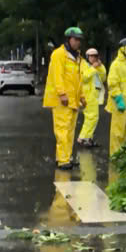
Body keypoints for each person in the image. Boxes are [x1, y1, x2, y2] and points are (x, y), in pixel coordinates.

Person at [42, 28, 85, 170]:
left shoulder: (77, 57)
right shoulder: (59, 54)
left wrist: (82, 97)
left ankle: (66, 157)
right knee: (62, 130)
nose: (78, 42)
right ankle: (62, 160)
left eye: (79, 40)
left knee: (70, 130)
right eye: (75, 39)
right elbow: (57, 76)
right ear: (68, 39)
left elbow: (79, 79)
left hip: (73, 100)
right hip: (62, 100)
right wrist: (62, 94)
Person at [77, 48, 107, 148]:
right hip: (87, 96)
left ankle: (88, 139)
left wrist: (100, 66)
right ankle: (82, 138)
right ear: (87, 56)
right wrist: (93, 68)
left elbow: (103, 77)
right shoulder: (84, 65)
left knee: (94, 118)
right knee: (91, 117)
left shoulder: (97, 66)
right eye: (92, 56)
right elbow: (84, 78)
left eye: (95, 56)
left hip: (95, 95)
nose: (94, 58)